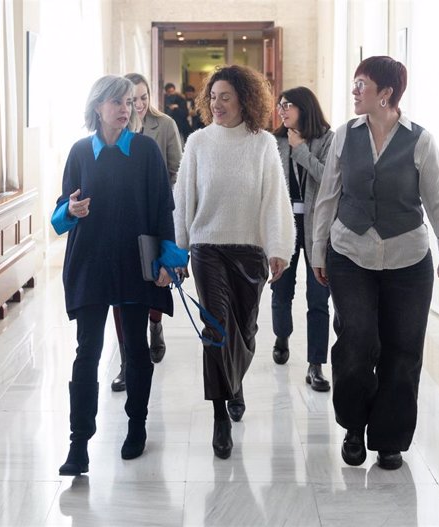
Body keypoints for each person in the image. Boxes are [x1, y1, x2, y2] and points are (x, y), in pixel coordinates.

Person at [311, 56, 439, 471]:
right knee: (356, 342)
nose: (354, 90)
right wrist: (317, 250)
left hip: (408, 260)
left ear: (386, 94)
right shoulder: (345, 135)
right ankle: (354, 426)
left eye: (362, 84)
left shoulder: (420, 141)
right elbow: (328, 196)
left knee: (402, 351)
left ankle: (390, 439)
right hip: (351, 254)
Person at [51, 75, 178, 474]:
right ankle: (78, 443)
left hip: (133, 265)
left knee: (136, 349)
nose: (126, 108)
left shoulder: (144, 151)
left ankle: (136, 426)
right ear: (97, 107)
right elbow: (59, 214)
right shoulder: (78, 153)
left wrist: (168, 263)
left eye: (129, 101)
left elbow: (163, 210)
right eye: (116, 102)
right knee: (86, 352)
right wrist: (70, 211)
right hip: (89, 264)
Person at [173, 64, 295, 459]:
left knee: (244, 331)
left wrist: (279, 247)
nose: (217, 103)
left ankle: (235, 382)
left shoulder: (261, 145)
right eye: (213, 97)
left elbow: (275, 198)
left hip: (250, 251)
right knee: (215, 329)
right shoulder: (198, 143)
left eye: (226, 96)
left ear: (244, 99)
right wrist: (179, 250)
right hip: (207, 248)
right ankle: (219, 416)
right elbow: (183, 201)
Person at [106, 73, 184, 394]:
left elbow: (176, 168)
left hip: (154, 217)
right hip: (119, 229)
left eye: (140, 98)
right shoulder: (112, 135)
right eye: (129, 99)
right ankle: (126, 362)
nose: (136, 105)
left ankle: (156, 325)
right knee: (120, 299)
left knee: (151, 286)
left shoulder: (164, 125)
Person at [270, 86, 334, 392]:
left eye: (288, 105)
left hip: (317, 227)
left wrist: (302, 151)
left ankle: (315, 365)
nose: (282, 111)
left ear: (304, 108)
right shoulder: (274, 141)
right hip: (285, 224)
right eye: (280, 106)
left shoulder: (328, 139)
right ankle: (282, 336)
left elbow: (330, 178)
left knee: (318, 297)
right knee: (282, 289)